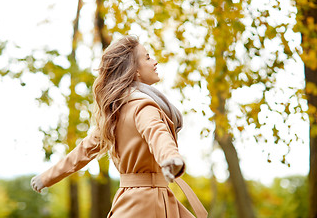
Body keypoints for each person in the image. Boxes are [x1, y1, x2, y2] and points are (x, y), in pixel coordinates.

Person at [30, 36, 207, 218]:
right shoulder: (143, 106)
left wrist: (46, 178)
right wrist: (171, 158)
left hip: (132, 201)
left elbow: (82, 152)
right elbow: (157, 134)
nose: (155, 62)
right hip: (148, 203)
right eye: (147, 57)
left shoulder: (116, 112)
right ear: (135, 71)